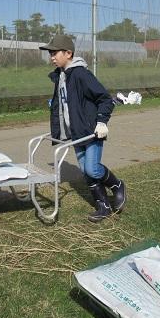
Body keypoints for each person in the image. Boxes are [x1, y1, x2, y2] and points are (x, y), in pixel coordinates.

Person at [39, 34, 126, 222]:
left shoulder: (80, 74)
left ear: (68, 53)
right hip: (76, 132)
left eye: (54, 53)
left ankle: (118, 185)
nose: (51, 57)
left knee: (93, 170)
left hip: (91, 131)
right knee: (86, 172)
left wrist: (102, 121)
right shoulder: (61, 76)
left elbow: (104, 98)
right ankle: (102, 205)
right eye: (50, 54)